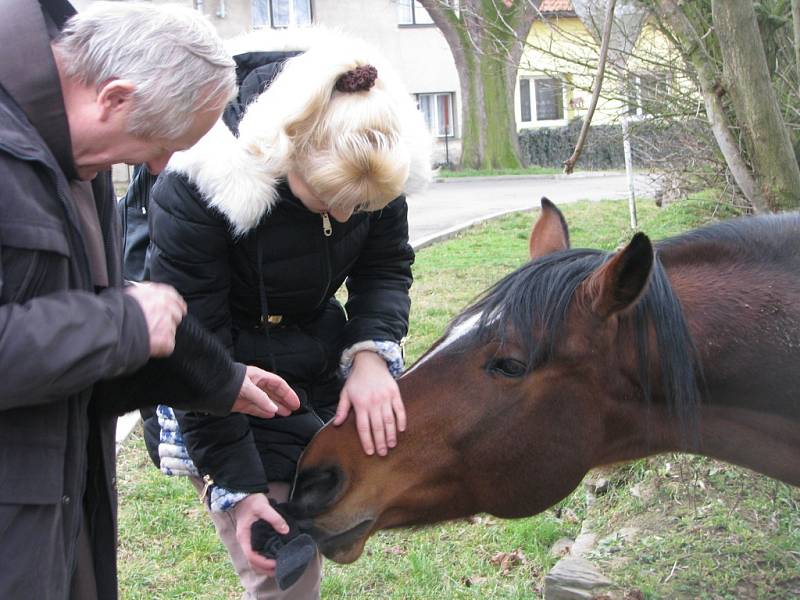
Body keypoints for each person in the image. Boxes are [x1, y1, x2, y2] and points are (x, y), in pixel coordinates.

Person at [0, 1, 299, 598]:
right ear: (113, 98)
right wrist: (120, 323)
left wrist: (214, 377)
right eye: (159, 142)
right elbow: (103, 321)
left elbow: (72, 352)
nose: (160, 165)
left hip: (53, 518)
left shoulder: (74, 155)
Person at [138, 28, 432, 598]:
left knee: (317, 528)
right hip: (215, 376)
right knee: (280, 569)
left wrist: (371, 355)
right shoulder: (201, 189)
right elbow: (193, 350)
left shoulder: (372, 152)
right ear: (286, 149)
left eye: (364, 206)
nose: (347, 215)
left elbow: (385, 266)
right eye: (328, 201)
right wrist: (237, 486)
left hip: (311, 362)